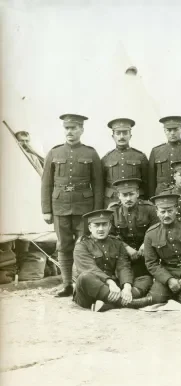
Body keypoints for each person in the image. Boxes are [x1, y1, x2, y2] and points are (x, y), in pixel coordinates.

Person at [43, 114, 104, 297]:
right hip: (60, 205)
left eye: (74, 128)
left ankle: (82, 284)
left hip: (84, 207)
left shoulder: (90, 153)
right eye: (67, 128)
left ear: (81, 130)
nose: (70, 132)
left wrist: (97, 212)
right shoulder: (54, 153)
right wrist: (46, 210)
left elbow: (98, 184)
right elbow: (46, 183)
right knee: (63, 245)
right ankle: (66, 284)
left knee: (83, 245)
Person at [73, 209, 154, 311]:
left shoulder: (117, 243)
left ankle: (108, 304)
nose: (101, 229)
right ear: (90, 227)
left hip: (114, 289)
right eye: (96, 225)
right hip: (89, 293)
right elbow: (90, 269)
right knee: (84, 277)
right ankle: (129, 303)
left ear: (110, 226)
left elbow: (123, 266)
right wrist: (110, 283)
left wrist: (127, 287)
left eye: (104, 225)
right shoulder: (82, 245)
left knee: (146, 279)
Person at [144, 194, 181, 305]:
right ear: (156, 211)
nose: (166, 215)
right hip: (167, 271)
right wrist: (168, 280)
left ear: (176, 209)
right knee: (157, 298)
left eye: (170, 211)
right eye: (162, 212)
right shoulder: (151, 234)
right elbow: (151, 263)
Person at [107, 178, 159, 287]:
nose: (128, 198)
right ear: (119, 196)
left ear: (138, 194)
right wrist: (126, 248)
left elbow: (157, 229)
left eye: (131, 194)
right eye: (124, 195)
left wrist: (146, 244)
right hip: (123, 251)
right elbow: (109, 235)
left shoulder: (149, 208)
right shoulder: (113, 210)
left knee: (148, 276)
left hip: (146, 251)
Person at [101, 118, 150, 206]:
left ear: (130, 135)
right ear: (113, 136)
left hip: (135, 201)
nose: (121, 137)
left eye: (125, 133)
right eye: (118, 133)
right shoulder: (106, 158)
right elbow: (101, 184)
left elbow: (146, 183)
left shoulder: (140, 157)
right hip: (112, 201)